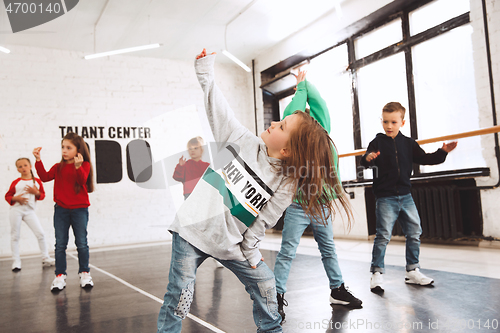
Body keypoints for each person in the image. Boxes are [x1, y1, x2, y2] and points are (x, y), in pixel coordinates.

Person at [156, 49, 352, 333]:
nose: (273, 122)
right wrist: (205, 72)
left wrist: (250, 251)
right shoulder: (239, 139)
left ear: (285, 150)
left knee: (266, 285)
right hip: (191, 232)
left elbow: (264, 220)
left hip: (231, 244)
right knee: (180, 296)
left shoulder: (286, 183)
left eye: (281, 125)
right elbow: (218, 108)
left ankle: (271, 329)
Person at [274, 71, 361, 323]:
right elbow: (291, 114)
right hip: (299, 205)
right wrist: (299, 91)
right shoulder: (293, 143)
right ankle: (276, 295)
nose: (311, 121)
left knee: (328, 249)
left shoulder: (324, 133)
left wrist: (304, 84)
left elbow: (320, 104)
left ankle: (337, 290)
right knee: (287, 251)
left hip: (321, 205)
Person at [360, 102, 457, 292]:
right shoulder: (377, 142)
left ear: (402, 123)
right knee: (383, 236)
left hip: (406, 196)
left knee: (414, 233)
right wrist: (368, 158)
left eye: (393, 122)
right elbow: (365, 162)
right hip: (385, 197)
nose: (389, 126)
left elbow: (426, 158)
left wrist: (442, 152)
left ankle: (412, 270)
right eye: (385, 121)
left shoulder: (409, 143)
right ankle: (376, 274)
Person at [33, 132, 95, 291]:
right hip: (61, 210)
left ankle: (84, 273)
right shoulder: (58, 167)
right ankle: (60, 275)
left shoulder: (84, 166)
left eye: (68, 148)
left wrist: (78, 167)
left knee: (81, 243)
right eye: (63, 147)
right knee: (60, 244)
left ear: (78, 150)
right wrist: (38, 160)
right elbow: (45, 177)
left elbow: (82, 181)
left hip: (79, 210)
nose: (64, 151)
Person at [5, 157, 55, 272]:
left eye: (25, 165)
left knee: (40, 234)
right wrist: (16, 198)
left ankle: (45, 257)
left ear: (30, 166)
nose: (23, 168)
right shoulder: (16, 183)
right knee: (15, 236)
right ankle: (16, 261)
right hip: (16, 211)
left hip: (29, 212)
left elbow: (42, 195)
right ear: (17, 169)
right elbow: (8, 196)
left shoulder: (36, 182)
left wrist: (35, 192)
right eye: (20, 166)